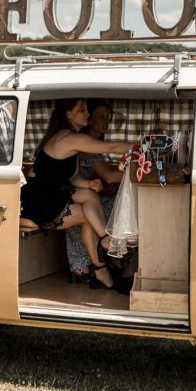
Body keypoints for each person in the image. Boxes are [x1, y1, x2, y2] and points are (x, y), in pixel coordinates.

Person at [21, 98, 132, 288]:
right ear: (68, 114)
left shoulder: (66, 137)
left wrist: (89, 183)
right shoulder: (70, 138)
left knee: (89, 197)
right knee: (91, 215)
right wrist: (144, 146)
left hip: (49, 194)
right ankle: (102, 264)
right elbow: (111, 148)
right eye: (82, 110)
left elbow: (71, 177)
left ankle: (104, 251)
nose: (87, 114)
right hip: (40, 203)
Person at [65, 100, 122, 279]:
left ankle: (101, 260)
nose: (106, 121)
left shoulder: (94, 145)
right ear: (89, 119)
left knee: (114, 204)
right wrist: (138, 172)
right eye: (101, 116)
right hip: (76, 196)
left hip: (86, 193)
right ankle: (88, 262)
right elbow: (110, 176)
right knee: (115, 208)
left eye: (108, 118)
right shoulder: (87, 146)